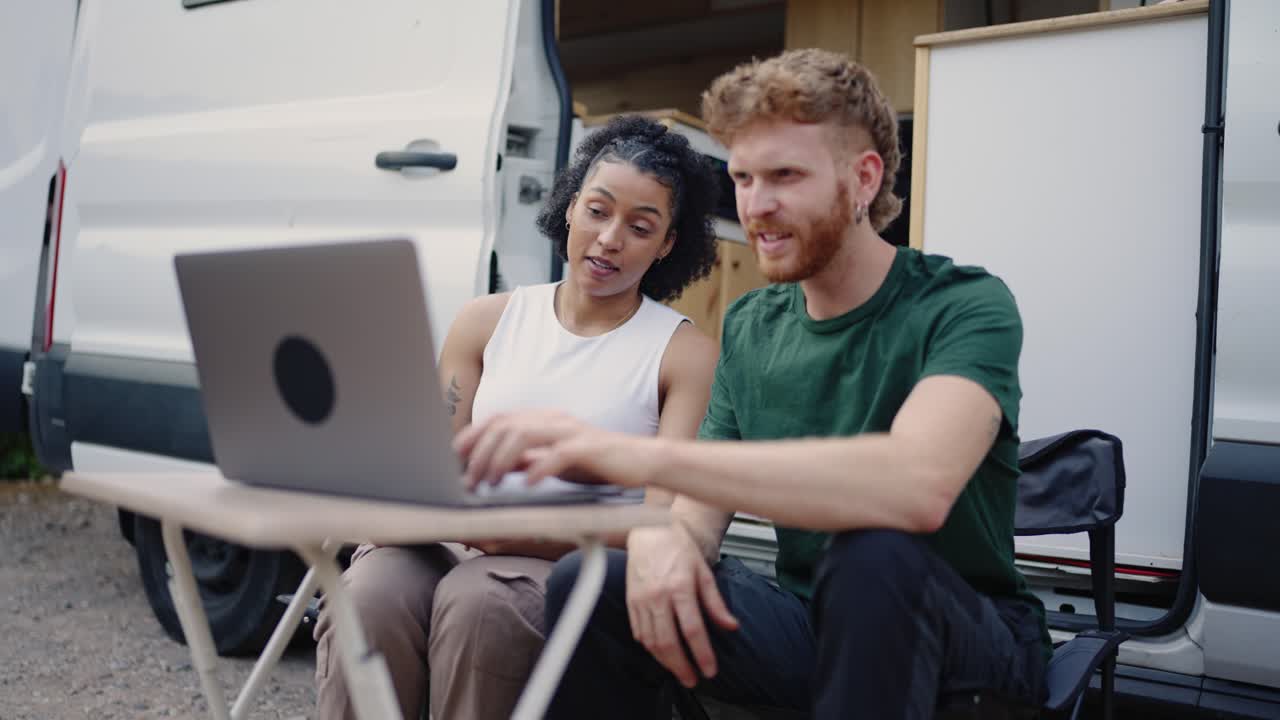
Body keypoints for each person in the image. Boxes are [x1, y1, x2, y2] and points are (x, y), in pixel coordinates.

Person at [455, 49, 1051, 719]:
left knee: (873, 554)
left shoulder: (964, 304)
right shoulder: (752, 326)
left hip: (971, 650)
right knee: (594, 581)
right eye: (742, 177)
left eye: (784, 176)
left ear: (863, 179)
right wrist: (663, 542)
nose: (755, 206)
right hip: (813, 626)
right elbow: (694, 517)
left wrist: (622, 454)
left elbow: (917, 486)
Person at [313, 114, 722, 720]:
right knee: (371, 595)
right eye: (597, 211)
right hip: (456, 539)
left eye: (640, 227)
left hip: (564, 560)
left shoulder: (684, 353)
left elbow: (665, 520)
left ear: (668, 245)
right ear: (568, 208)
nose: (610, 238)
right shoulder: (486, 320)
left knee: (481, 603)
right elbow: (436, 463)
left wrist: (517, 532)